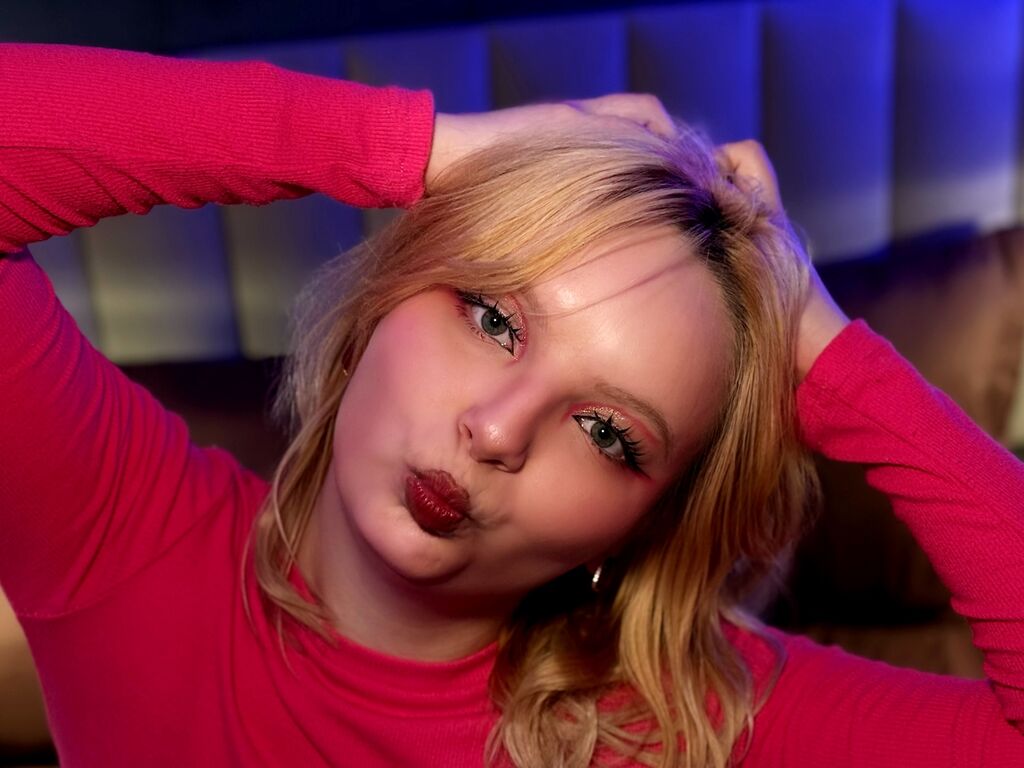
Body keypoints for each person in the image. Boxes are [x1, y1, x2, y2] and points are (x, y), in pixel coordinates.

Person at [0, 43, 1021, 768]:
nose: (496, 429)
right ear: (384, 298)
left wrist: (827, 353)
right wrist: (420, 146)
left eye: (607, 433)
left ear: (641, 525)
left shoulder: (687, 723)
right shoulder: (119, 534)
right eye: (491, 318)